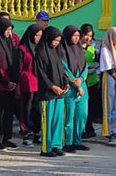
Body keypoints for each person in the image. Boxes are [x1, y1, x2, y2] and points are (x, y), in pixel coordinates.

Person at [35, 26, 69, 157]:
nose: (56, 43)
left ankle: (56, 145)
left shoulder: (57, 52)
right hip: (47, 94)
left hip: (59, 93)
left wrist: (65, 83)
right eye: (54, 40)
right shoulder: (40, 53)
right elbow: (41, 74)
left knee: (58, 120)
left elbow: (62, 70)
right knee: (47, 121)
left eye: (58, 40)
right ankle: (46, 148)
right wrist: (52, 86)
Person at [0, 18, 18, 151]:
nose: (9, 33)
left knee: (8, 112)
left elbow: (13, 62)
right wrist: (5, 82)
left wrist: (14, 81)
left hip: (10, 84)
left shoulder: (9, 43)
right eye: (7, 30)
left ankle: (6, 138)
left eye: (10, 30)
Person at [61, 25, 89, 153]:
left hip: (82, 86)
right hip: (71, 88)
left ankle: (77, 140)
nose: (77, 38)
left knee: (81, 115)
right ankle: (68, 142)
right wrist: (75, 83)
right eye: (74, 36)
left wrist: (81, 80)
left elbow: (85, 67)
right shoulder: (62, 50)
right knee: (69, 116)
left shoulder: (79, 50)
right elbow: (64, 69)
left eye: (78, 36)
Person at [16, 24, 43, 147]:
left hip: (39, 82)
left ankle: (37, 133)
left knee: (37, 109)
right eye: (36, 35)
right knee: (26, 109)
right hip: (27, 83)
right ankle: (26, 134)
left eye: (40, 36)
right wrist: (26, 78)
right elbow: (19, 68)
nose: (38, 38)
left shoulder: (40, 48)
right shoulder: (22, 49)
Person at [100, 27, 116, 142]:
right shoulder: (105, 48)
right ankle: (107, 131)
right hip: (110, 77)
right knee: (109, 103)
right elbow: (108, 67)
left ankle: (113, 129)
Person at [80, 24, 101, 139]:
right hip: (80, 82)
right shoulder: (76, 49)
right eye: (86, 35)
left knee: (90, 107)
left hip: (92, 81)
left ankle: (89, 128)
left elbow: (99, 63)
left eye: (90, 36)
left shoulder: (93, 49)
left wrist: (91, 67)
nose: (88, 38)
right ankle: (80, 129)